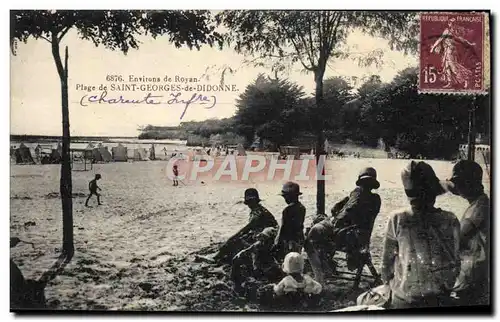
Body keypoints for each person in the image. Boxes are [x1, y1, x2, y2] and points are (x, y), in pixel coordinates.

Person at [381, 161, 460, 309]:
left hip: (405, 299)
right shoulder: (450, 219)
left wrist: (390, 284)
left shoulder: (398, 219)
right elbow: (456, 261)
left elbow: (386, 265)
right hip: (439, 297)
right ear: (434, 194)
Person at [305, 167, 381, 284]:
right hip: (352, 233)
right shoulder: (371, 198)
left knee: (313, 233)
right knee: (316, 227)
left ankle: (323, 268)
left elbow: (343, 214)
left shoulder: (361, 195)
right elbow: (340, 209)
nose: (365, 185)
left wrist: (335, 217)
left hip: (347, 234)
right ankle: (326, 263)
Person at [442, 160, 490, 306]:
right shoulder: (480, 202)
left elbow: (458, 238)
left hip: (473, 274)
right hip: (475, 270)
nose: (458, 189)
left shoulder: (479, 208)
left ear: (469, 185)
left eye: (461, 184)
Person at [196, 188, 278, 265]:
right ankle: (218, 256)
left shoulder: (258, 213)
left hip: (266, 239)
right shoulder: (259, 210)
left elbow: (246, 228)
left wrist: (231, 238)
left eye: (251, 201)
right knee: (239, 240)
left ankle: (216, 257)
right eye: (249, 201)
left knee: (235, 240)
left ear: (255, 201)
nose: (250, 204)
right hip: (264, 235)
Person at [230, 227, 283, 294]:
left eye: (268, 240)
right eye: (264, 239)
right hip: (258, 268)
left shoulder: (273, 247)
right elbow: (246, 252)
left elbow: (275, 259)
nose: (265, 241)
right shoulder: (258, 245)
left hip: (266, 267)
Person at [273, 182, 306, 261]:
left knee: (287, 260)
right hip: (299, 239)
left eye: (285, 197)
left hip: (289, 241)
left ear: (289, 196)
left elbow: (283, 228)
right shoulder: (302, 207)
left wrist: (276, 243)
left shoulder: (287, 210)